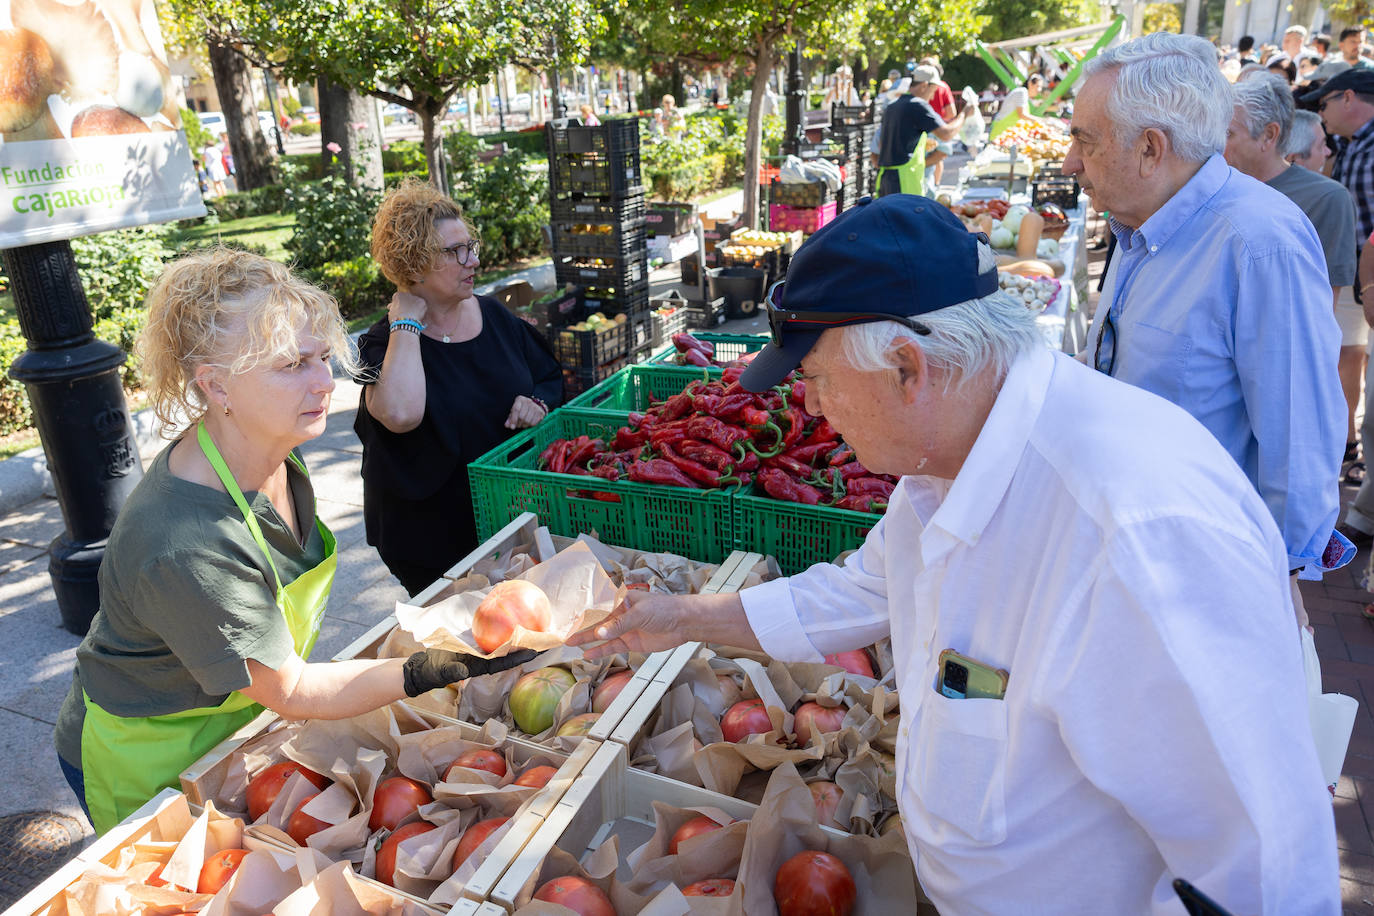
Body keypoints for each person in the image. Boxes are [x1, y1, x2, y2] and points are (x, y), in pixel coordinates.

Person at [568, 195, 1340, 915]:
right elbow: (863, 589)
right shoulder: (947, 461)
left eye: (816, 379)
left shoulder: (1133, 531)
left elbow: (1263, 858)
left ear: (908, 366)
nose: (809, 406)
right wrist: (677, 617)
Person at [51, 249, 531, 833]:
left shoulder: (270, 445)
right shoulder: (187, 541)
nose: (325, 381)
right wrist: (433, 666)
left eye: (323, 356)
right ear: (215, 385)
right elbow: (297, 688)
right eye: (292, 364)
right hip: (149, 744)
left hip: (237, 708)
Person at [1067, 33, 1349, 625]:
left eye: (1084, 144)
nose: (1071, 167)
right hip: (1129, 557)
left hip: (1206, 582)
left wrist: (1274, 586)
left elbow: (1299, 445)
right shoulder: (1139, 221)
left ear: (1150, 148)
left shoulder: (1260, 242)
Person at [355, 180, 563, 596]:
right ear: (413, 265)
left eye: (471, 246)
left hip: (505, 518)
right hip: (429, 538)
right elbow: (400, 415)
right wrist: (407, 323)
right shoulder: (385, 343)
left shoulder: (492, 315)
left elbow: (550, 377)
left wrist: (536, 402)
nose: (473, 261)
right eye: (455, 252)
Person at [1227, 75, 1361, 487]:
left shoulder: (1327, 198)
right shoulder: (1217, 184)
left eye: (1227, 133)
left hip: (1280, 379)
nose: (1216, 142)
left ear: (1268, 136)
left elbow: (1320, 308)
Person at [1307, 68, 1374, 527]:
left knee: (1348, 358)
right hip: (1355, 276)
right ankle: (1348, 444)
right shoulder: (1351, 145)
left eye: (1326, 103)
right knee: (1346, 357)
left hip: (1363, 275)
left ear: (1349, 97)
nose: (1323, 113)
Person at [874, 65, 965, 197]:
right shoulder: (918, 105)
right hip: (904, 181)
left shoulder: (893, 105)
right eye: (933, 90)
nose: (933, 96)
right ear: (924, 85)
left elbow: (883, 144)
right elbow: (946, 134)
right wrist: (963, 116)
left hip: (885, 178)